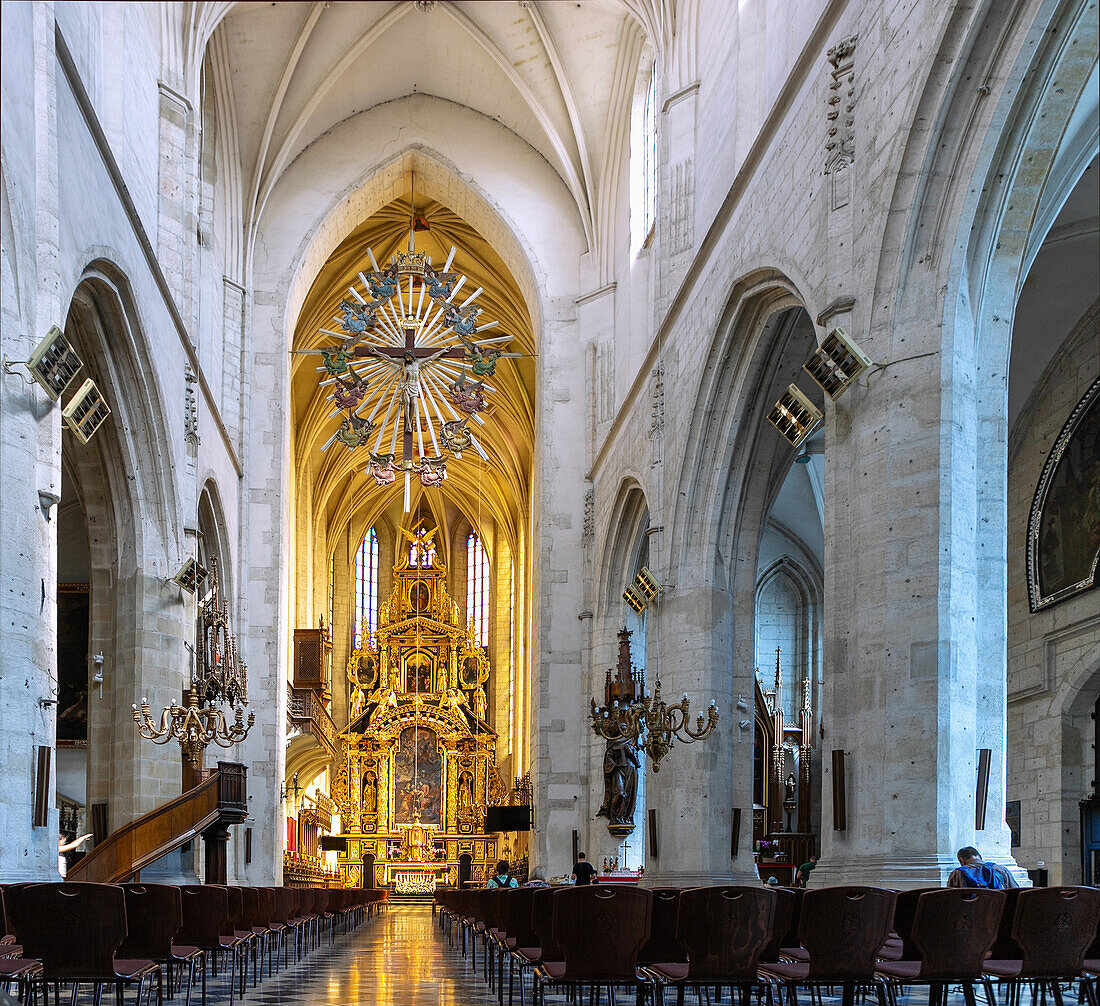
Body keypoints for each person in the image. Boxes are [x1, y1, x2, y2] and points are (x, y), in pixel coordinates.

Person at [946, 846, 1017, 889]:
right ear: (980, 857)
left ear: (961, 861)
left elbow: (950, 898)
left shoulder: (957, 873)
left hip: (970, 912)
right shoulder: (999, 869)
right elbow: (1014, 890)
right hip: (998, 911)